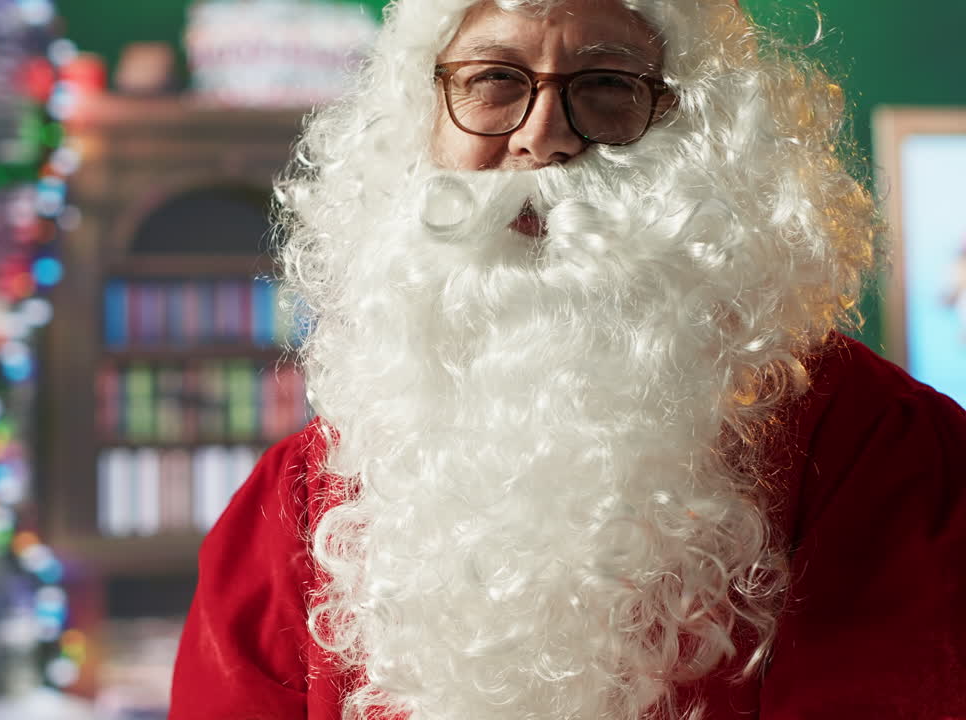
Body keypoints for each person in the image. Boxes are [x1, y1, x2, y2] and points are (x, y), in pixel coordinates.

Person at [170, 0, 966, 718]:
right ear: (422, 121)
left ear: (698, 127)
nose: (541, 135)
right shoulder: (295, 504)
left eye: (609, 86)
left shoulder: (887, 453)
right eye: (491, 81)